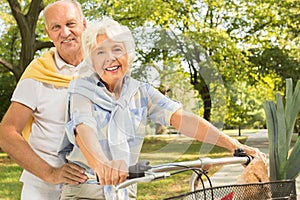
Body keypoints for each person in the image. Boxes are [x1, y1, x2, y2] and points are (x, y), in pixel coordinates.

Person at [58, 17, 267, 199]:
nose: (110, 58)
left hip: (124, 192)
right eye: (100, 52)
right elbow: (82, 127)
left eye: (117, 49)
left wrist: (234, 146)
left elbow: (183, 119)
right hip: (84, 193)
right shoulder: (81, 88)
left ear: (128, 55)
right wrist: (102, 165)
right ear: (92, 61)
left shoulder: (142, 92)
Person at [0, 0, 91, 199]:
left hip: (93, 187)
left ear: (84, 24)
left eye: (71, 24)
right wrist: (51, 173)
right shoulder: (37, 74)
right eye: (56, 27)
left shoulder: (104, 68)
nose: (65, 33)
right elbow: (7, 132)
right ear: (48, 33)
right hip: (43, 190)